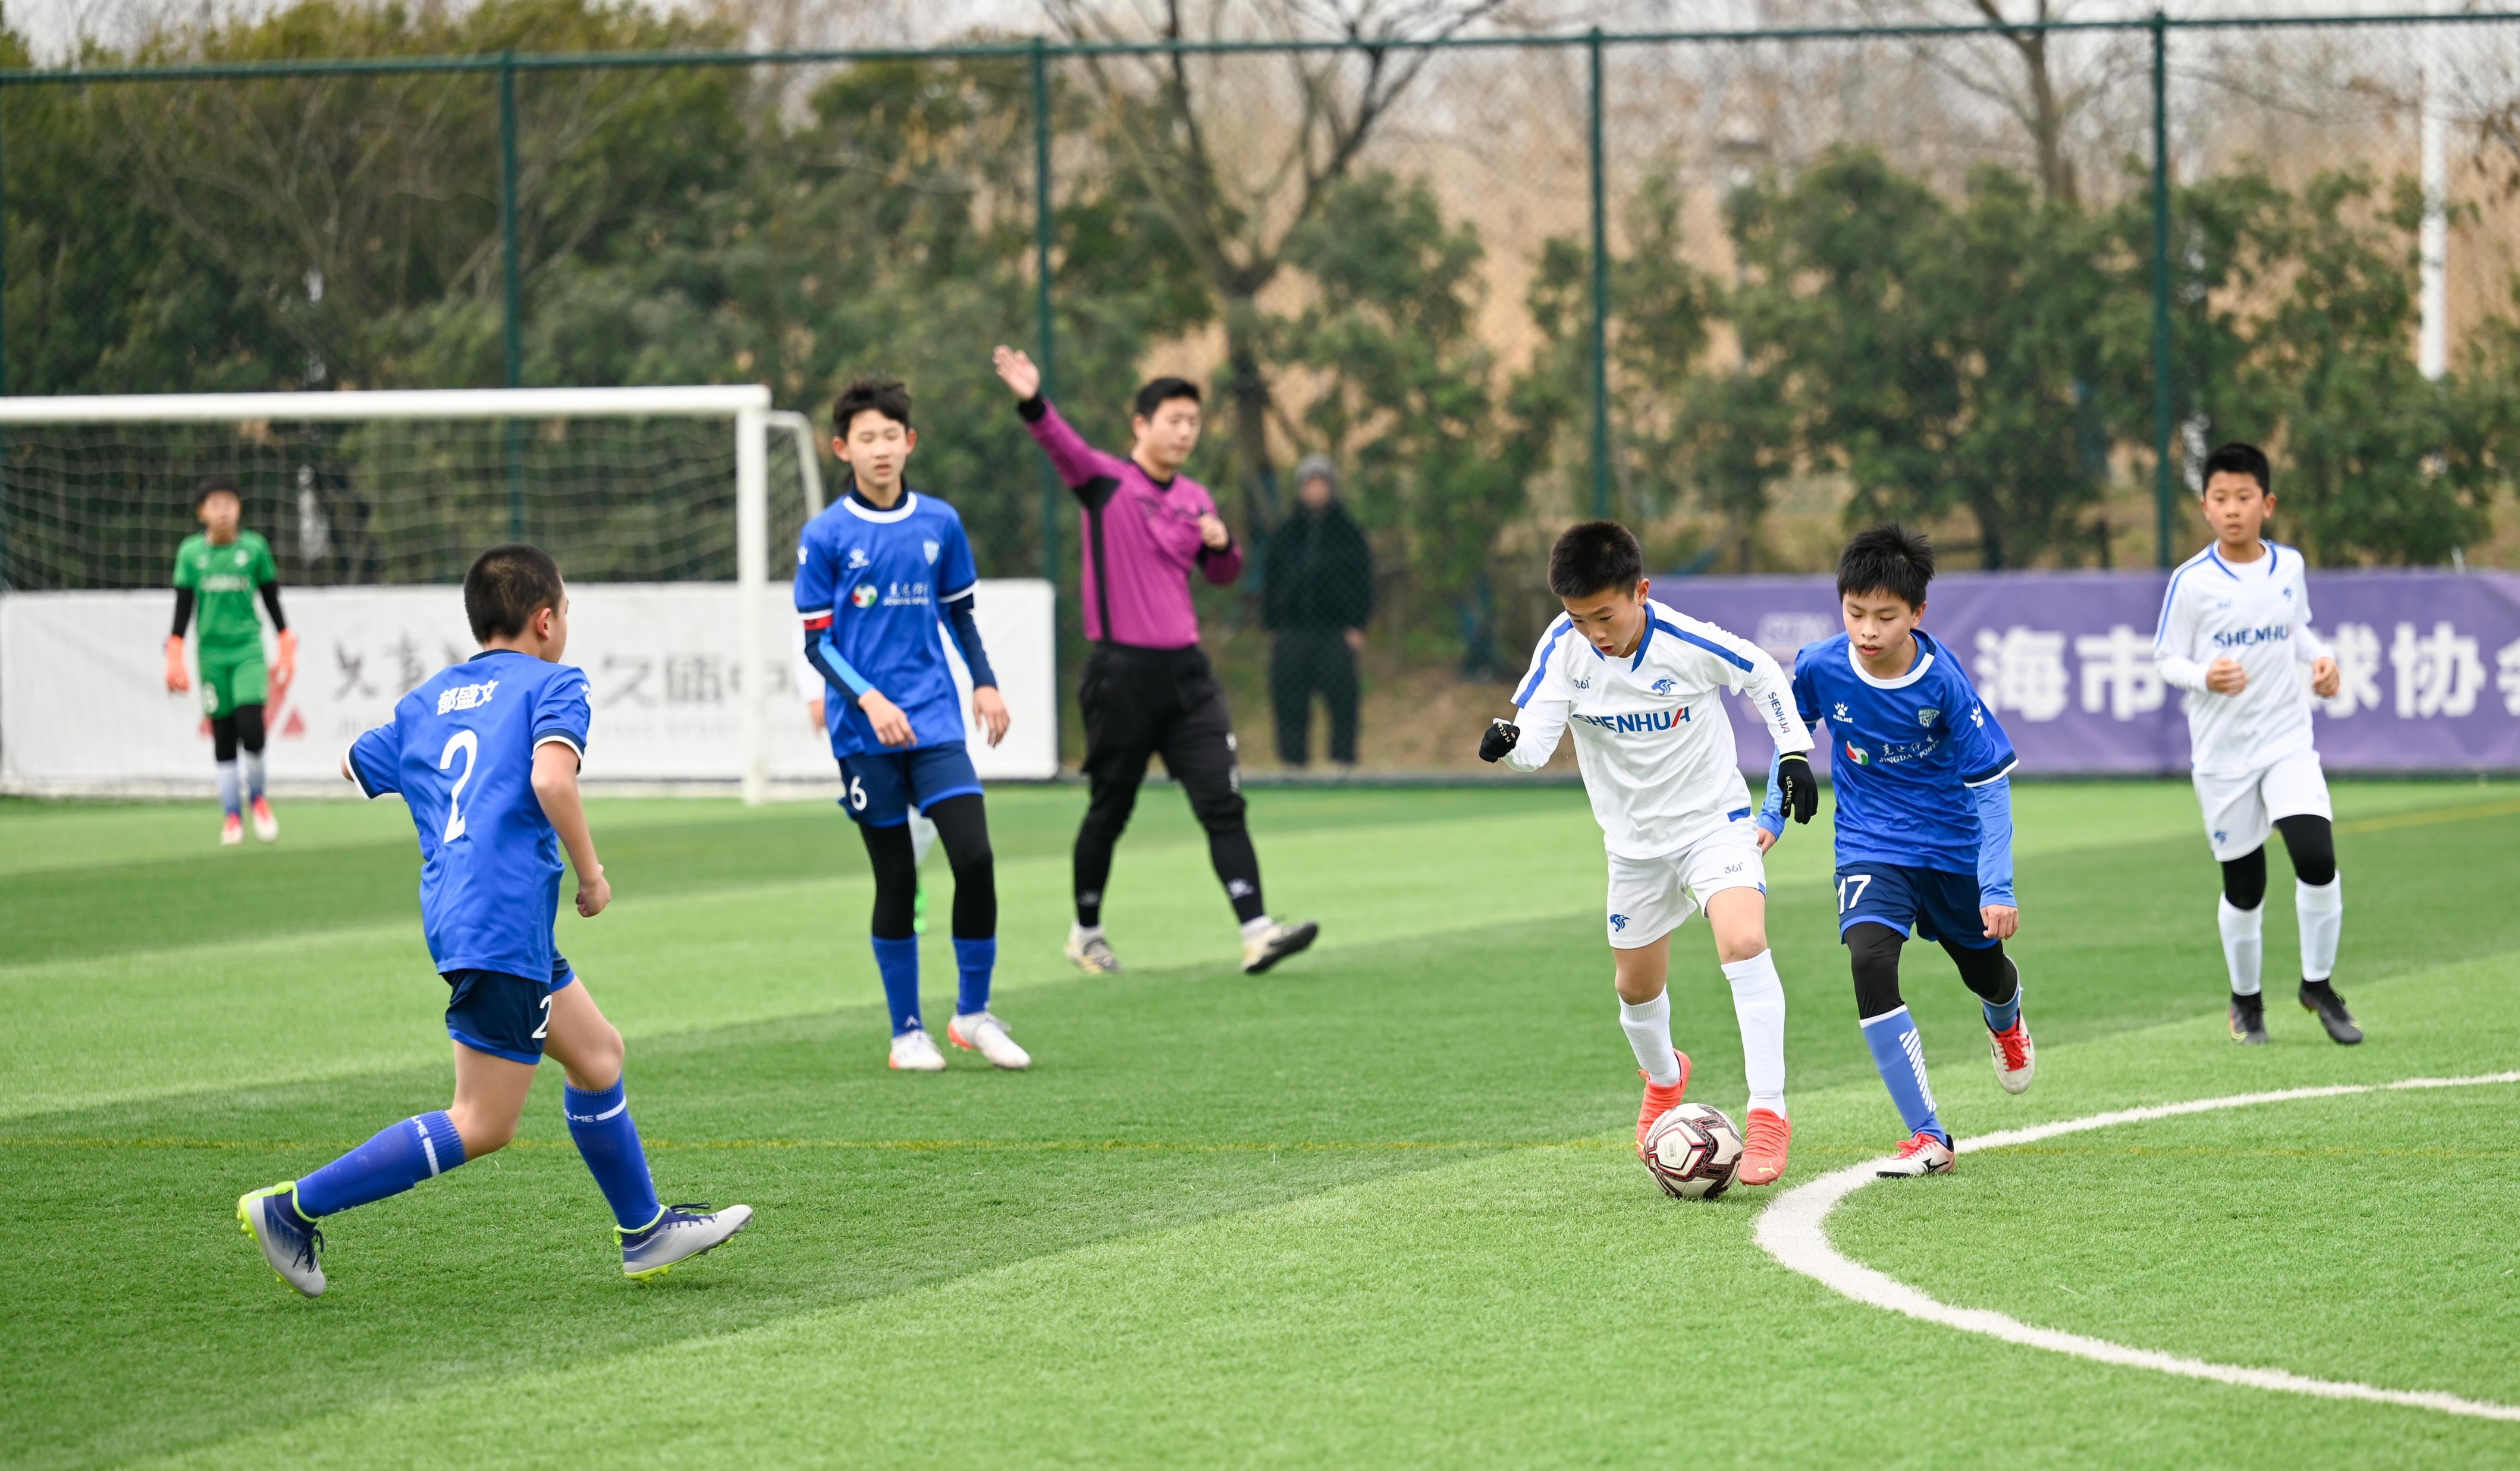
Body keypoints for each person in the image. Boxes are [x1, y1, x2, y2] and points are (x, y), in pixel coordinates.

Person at [237, 544, 751, 1297]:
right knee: (483, 1121)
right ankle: (293, 1207)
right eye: (566, 610)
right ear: (546, 619)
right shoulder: (556, 682)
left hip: (470, 912)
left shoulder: (426, 700)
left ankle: (645, 1230)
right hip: (502, 917)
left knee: (599, 1055)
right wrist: (592, 872)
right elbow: (551, 776)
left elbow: (353, 762)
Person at [1478, 521, 1818, 1188]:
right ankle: (1666, 1078)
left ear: (1641, 590)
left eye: (1604, 614)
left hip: (1713, 826)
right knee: (1635, 988)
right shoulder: (1562, 649)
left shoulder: (1685, 641)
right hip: (1632, 846)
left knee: (1744, 941)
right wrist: (1506, 746)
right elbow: (1535, 747)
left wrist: (1793, 750)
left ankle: (1768, 1115)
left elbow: (1762, 671)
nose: (1594, 632)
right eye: (1578, 618)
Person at [991, 344, 1317, 977]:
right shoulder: (1106, 483)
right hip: (1121, 675)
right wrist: (1033, 399)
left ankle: (1257, 930)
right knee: (1109, 809)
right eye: (1173, 419)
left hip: (1187, 675)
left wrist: (1224, 545)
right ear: (1140, 424)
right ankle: (1085, 931)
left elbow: (1224, 575)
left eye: (1193, 422)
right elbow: (1061, 445)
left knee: (1222, 801)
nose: (1184, 431)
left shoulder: (1195, 495)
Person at [1760, 524, 2033, 1180]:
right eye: (1855, 612)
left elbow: (1991, 787)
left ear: (1917, 613)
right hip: (1868, 845)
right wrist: (1771, 811)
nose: (1867, 629)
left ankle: (2007, 1015)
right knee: (1869, 961)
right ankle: (1927, 1135)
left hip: (1950, 849)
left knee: (1984, 971)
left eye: (1885, 616)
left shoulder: (1942, 683)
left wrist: (1995, 885)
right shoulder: (1821, 665)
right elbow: (1791, 737)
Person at [798, 376, 1028, 1073]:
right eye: (865, 437)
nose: (880, 449)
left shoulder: (940, 523)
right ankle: (906, 1032)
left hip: (933, 721)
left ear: (909, 443)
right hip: (865, 732)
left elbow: (959, 613)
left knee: (976, 858)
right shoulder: (826, 534)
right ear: (843, 448)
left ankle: (973, 1014)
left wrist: (984, 682)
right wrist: (868, 699)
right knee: (896, 876)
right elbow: (818, 641)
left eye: (890, 436)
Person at [2151, 441, 2356, 1046]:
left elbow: (2294, 627)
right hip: (2222, 756)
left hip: (2287, 741)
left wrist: (2321, 657)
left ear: (2266, 504)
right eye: (2220, 498)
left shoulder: (2287, 567)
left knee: (2316, 857)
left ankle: (2317, 984)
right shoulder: (2190, 581)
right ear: (2205, 508)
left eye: (2244, 497)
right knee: (2245, 886)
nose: (2232, 508)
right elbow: (2165, 658)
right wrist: (2203, 675)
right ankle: (2246, 1002)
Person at [166, 475, 296, 845]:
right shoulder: (191, 554)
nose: (223, 510)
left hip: (248, 652)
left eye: (229, 502)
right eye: (215, 504)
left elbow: (272, 602)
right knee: (223, 736)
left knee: (251, 728)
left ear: (239, 508)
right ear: (201, 512)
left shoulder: (254, 549)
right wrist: (174, 655)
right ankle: (232, 816)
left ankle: (257, 798)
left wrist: (286, 644)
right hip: (210, 656)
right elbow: (183, 609)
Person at [798, 644, 939, 933]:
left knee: (937, 803)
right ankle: (904, 884)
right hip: (861, 707)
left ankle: (911, 869)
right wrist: (814, 694)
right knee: (885, 806)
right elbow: (809, 632)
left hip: (923, 699)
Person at [1263, 454, 1374, 769]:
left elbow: (1364, 582)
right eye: (1310, 484)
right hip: (1293, 630)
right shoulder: (1285, 534)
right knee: (1290, 699)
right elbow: (1271, 581)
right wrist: (1273, 624)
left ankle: (1343, 762)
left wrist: (1358, 625)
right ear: (1300, 489)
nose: (1316, 491)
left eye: (1321, 484)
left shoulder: (1350, 535)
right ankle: (1293, 764)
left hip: (1335, 631)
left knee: (1342, 699)